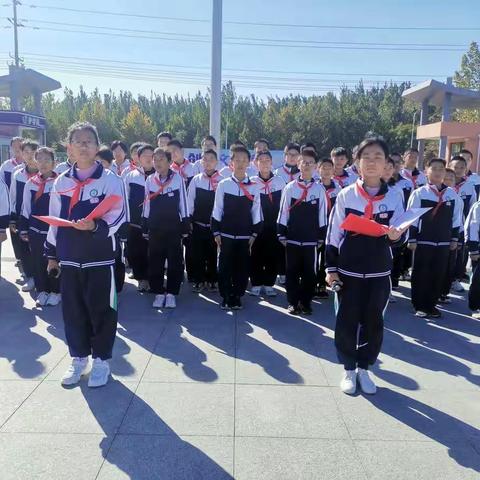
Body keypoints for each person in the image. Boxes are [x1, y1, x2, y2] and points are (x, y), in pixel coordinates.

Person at [45, 121, 128, 387]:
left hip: (100, 258)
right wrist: (51, 254)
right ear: (68, 147)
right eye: (78, 141)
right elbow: (55, 220)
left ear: (96, 147)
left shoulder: (110, 180)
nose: (83, 145)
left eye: (88, 141)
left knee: (102, 310)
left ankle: (101, 360)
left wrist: (96, 226)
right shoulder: (61, 182)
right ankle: (79, 358)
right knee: (73, 311)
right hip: (70, 258)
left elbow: (119, 216)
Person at [326, 137, 405, 396]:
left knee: (374, 323)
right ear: (357, 163)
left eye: (378, 157)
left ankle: (365, 368)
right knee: (346, 321)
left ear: (386, 165)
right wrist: (331, 268)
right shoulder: (347, 195)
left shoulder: (394, 196)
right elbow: (334, 234)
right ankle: (348, 368)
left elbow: (401, 232)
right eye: (366, 157)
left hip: (379, 272)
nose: (372, 162)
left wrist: (396, 236)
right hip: (348, 272)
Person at [407, 158, 463, 318]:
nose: (438, 172)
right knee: (421, 273)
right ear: (427, 172)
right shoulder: (419, 193)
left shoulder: (451, 195)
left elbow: (456, 218)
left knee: (438, 273)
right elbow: (412, 217)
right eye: (434, 168)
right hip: (423, 241)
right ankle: (419, 304)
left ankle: (431, 304)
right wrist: (412, 239)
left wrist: (454, 239)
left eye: (441, 169)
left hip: (444, 242)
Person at [212, 145, 263, 310]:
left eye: (244, 160)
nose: (240, 163)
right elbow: (217, 209)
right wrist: (216, 231)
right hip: (225, 234)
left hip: (244, 236)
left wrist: (254, 234)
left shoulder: (254, 186)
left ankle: (238, 295)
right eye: (237, 160)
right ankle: (226, 296)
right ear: (231, 163)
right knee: (225, 266)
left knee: (242, 267)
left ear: (249, 163)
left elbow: (256, 211)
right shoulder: (224, 184)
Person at [278, 150, 328, 315]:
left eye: (310, 162)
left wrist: (321, 236)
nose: (306, 165)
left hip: (310, 240)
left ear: (315, 166)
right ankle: (292, 302)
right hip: (292, 238)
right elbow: (283, 211)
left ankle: (306, 303)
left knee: (310, 273)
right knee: (291, 272)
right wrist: (281, 233)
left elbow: (322, 214)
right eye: (303, 162)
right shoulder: (290, 187)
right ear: (298, 164)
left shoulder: (319, 189)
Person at [142, 147, 189, 309]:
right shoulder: (149, 180)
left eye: (162, 159)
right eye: (155, 159)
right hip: (155, 227)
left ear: (170, 162)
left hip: (173, 227)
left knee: (175, 260)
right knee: (155, 260)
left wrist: (185, 223)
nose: (158, 162)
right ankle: (158, 292)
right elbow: (146, 204)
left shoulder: (177, 179)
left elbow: (183, 202)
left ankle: (171, 293)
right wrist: (145, 223)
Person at [19, 147, 60, 307]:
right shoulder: (31, 183)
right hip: (36, 230)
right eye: (40, 159)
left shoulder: (60, 182)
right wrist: (24, 228)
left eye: (47, 160)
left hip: (54, 231)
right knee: (38, 261)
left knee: (54, 261)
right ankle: (42, 290)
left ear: (54, 162)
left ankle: (56, 291)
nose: (43, 163)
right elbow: (26, 207)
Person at [250, 150, 286, 297]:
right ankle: (257, 283)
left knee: (273, 254)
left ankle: (270, 283)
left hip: (274, 225)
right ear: (256, 163)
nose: (264, 163)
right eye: (261, 160)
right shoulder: (251, 181)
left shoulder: (280, 181)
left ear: (272, 163)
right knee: (256, 254)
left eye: (267, 160)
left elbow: (284, 207)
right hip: (257, 225)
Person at [187, 149, 222, 292]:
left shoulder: (222, 180)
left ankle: (212, 279)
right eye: (205, 159)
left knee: (213, 253)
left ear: (216, 162)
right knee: (198, 254)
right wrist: (188, 219)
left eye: (211, 159)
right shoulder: (196, 180)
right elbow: (190, 200)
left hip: (215, 226)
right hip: (198, 224)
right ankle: (199, 280)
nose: (208, 162)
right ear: (201, 162)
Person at [124, 144, 155, 292]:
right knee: (136, 252)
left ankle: (153, 279)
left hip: (155, 224)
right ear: (138, 158)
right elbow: (124, 199)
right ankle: (141, 279)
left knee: (154, 253)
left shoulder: (161, 176)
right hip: (135, 223)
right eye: (145, 156)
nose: (149, 159)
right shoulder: (131, 176)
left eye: (151, 156)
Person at [10, 140, 40, 292]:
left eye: (33, 152)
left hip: (41, 218)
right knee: (25, 248)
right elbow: (13, 197)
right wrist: (13, 219)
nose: (30, 155)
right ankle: (31, 277)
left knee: (41, 249)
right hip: (23, 217)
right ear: (21, 154)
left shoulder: (46, 173)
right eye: (26, 152)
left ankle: (45, 279)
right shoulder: (18, 174)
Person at [167, 139, 196, 282]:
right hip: (173, 213)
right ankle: (177, 273)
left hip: (189, 213)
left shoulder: (193, 168)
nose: (173, 154)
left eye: (175, 150)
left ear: (182, 151)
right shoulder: (168, 170)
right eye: (170, 152)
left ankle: (191, 274)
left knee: (190, 246)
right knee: (175, 247)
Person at [449, 154, 476, 293]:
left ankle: (455, 279)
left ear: (466, 169)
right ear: (449, 167)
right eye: (455, 167)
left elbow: (472, 207)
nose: (458, 170)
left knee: (460, 253)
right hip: (444, 225)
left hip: (461, 226)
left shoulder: (469, 186)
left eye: (461, 167)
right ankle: (443, 280)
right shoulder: (445, 183)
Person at [315, 157, 341, 298]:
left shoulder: (338, 189)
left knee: (326, 257)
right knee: (314, 257)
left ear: (333, 171)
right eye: (323, 167)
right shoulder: (314, 187)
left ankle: (322, 285)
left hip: (331, 229)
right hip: (316, 227)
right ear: (318, 169)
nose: (326, 170)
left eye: (329, 168)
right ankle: (313, 283)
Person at [0, 136, 24, 273]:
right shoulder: (6, 166)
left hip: (20, 205)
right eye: (14, 146)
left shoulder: (30, 165)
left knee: (23, 231)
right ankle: (19, 258)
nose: (17, 149)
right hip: (6, 206)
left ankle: (26, 257)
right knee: (13, 231)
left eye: (20, 146)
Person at [464, 200, 480, 318]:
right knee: (477, 280)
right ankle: (475, 307)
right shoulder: (478, 206)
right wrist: (473, 249)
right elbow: (472, 227)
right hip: (478, 249)